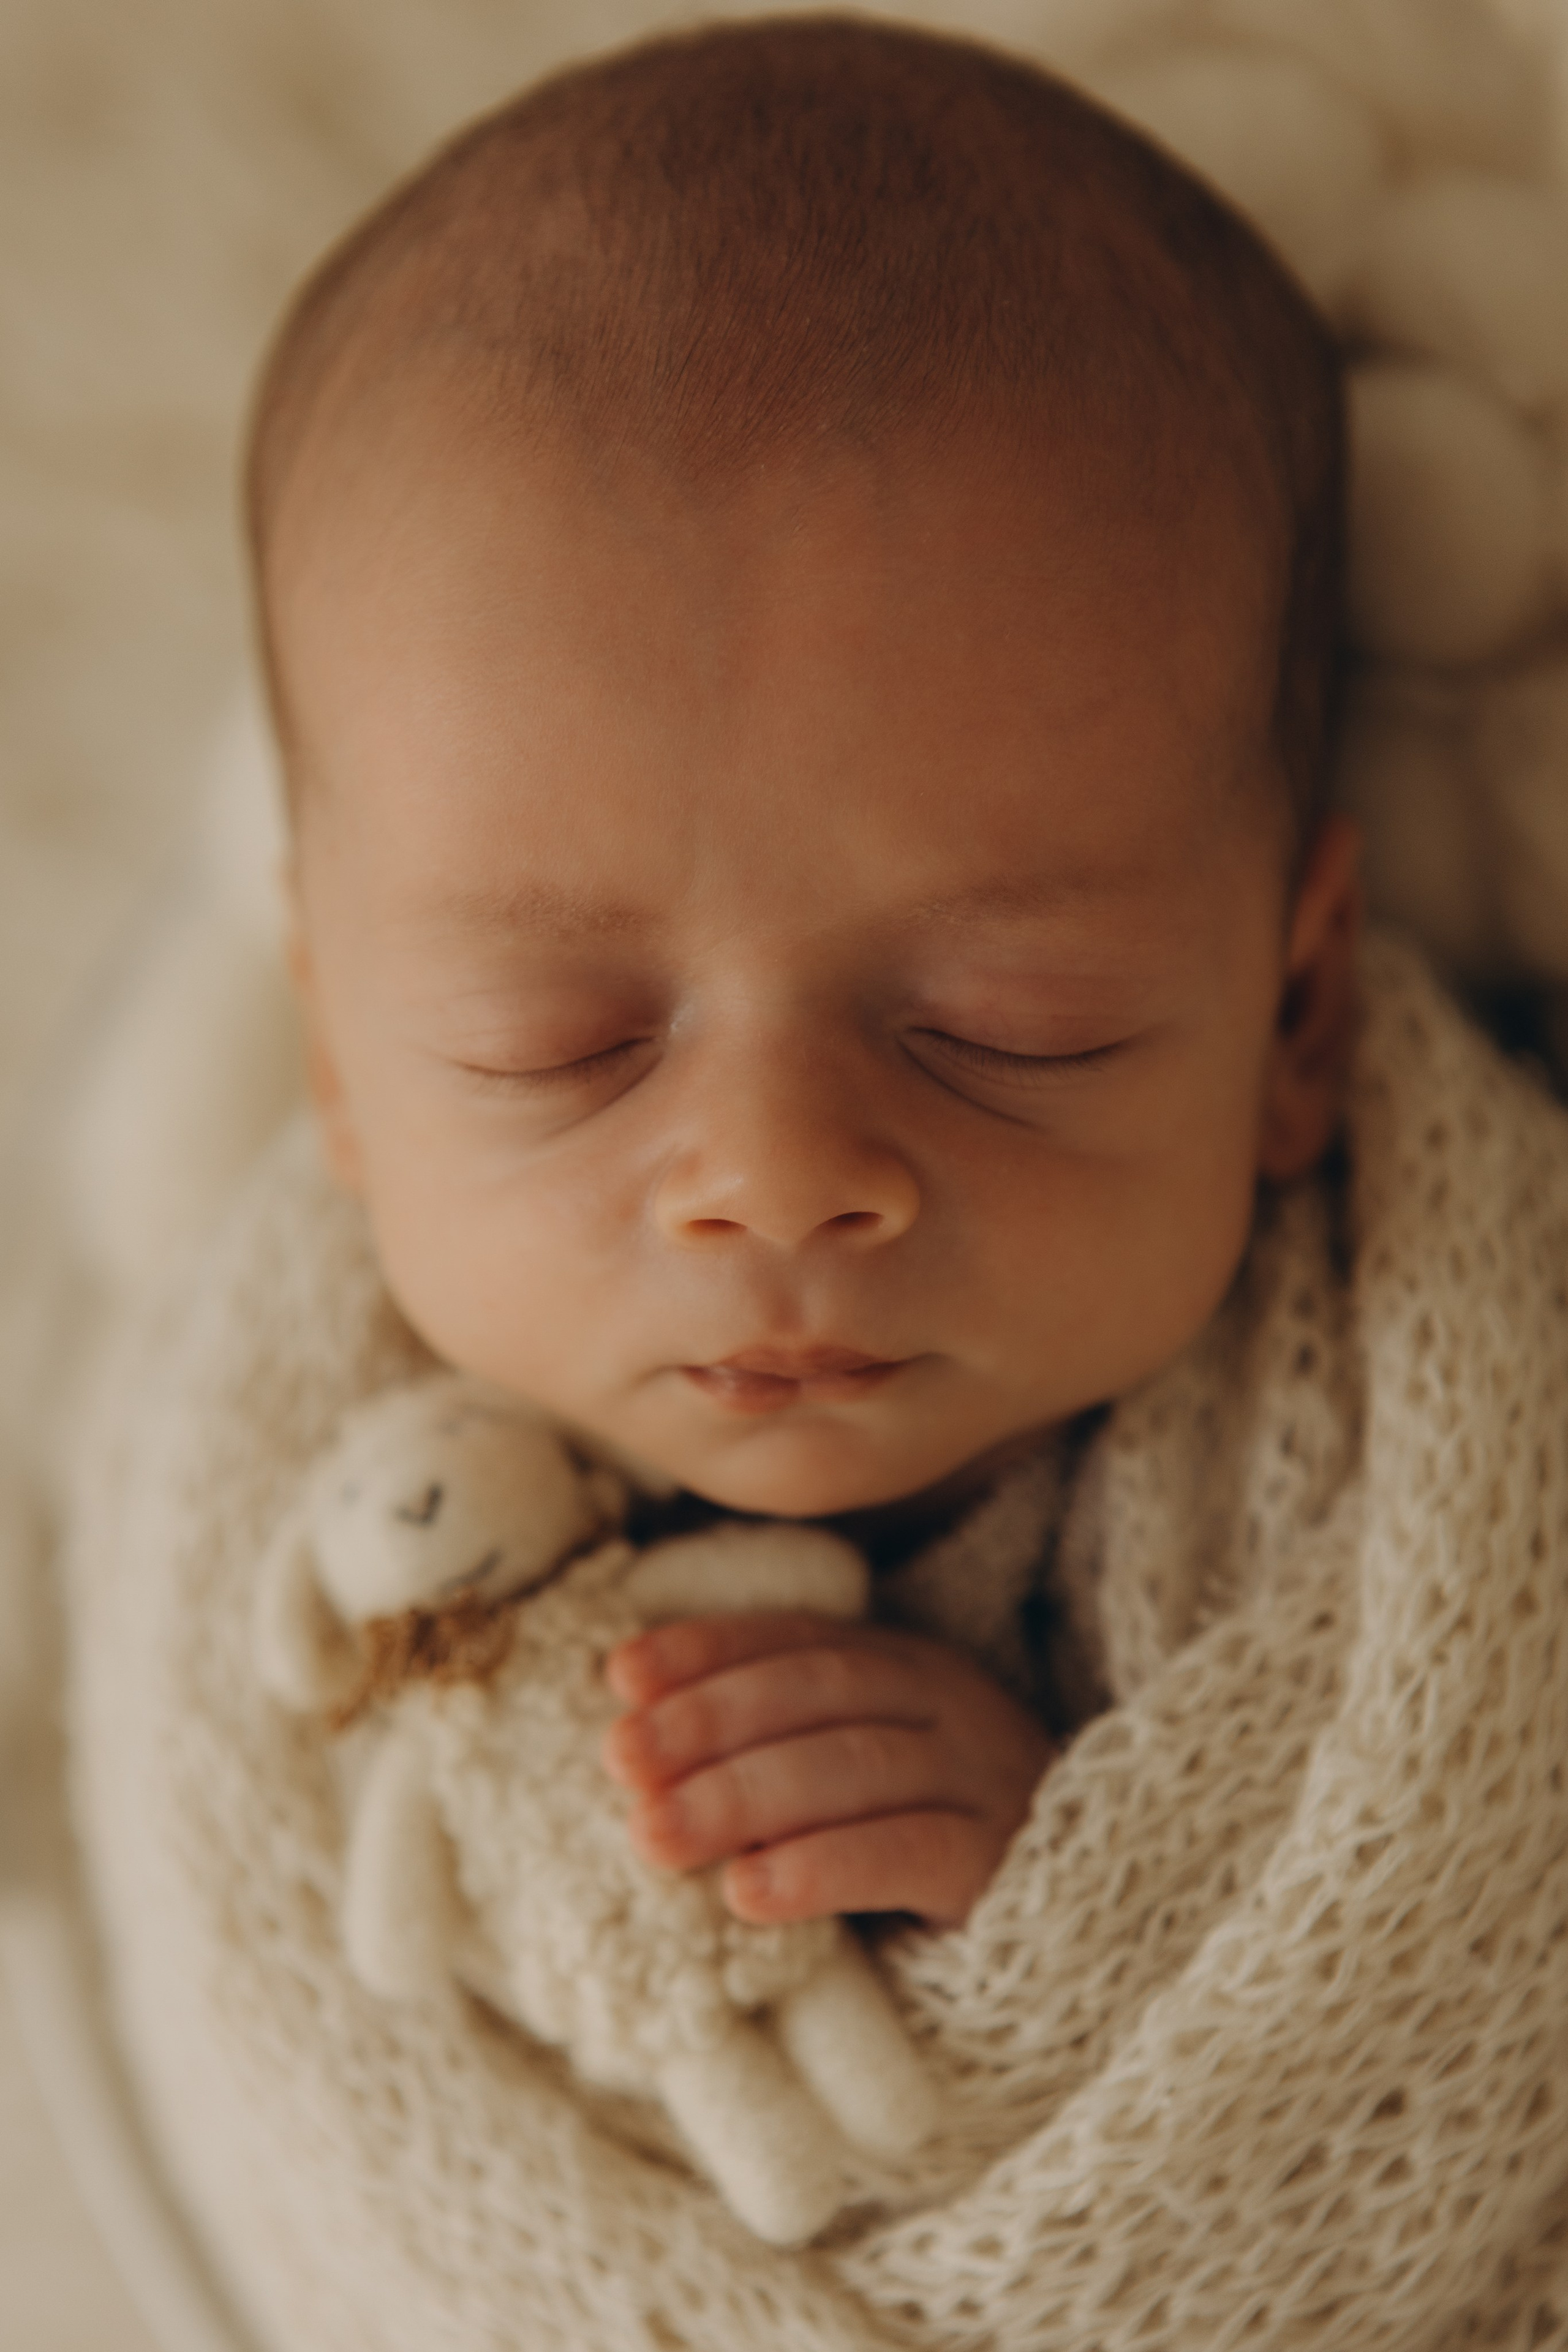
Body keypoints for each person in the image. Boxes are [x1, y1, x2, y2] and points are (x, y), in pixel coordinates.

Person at [247, 13, 1360, 1938]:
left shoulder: (1397, 1507)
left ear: (1298, 1011)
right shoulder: (272, 1474)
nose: (770, 1176)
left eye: (1008, 1028)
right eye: (563, 1046)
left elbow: (1448, 1967)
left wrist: (1089, 1894)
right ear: (336, 1058)